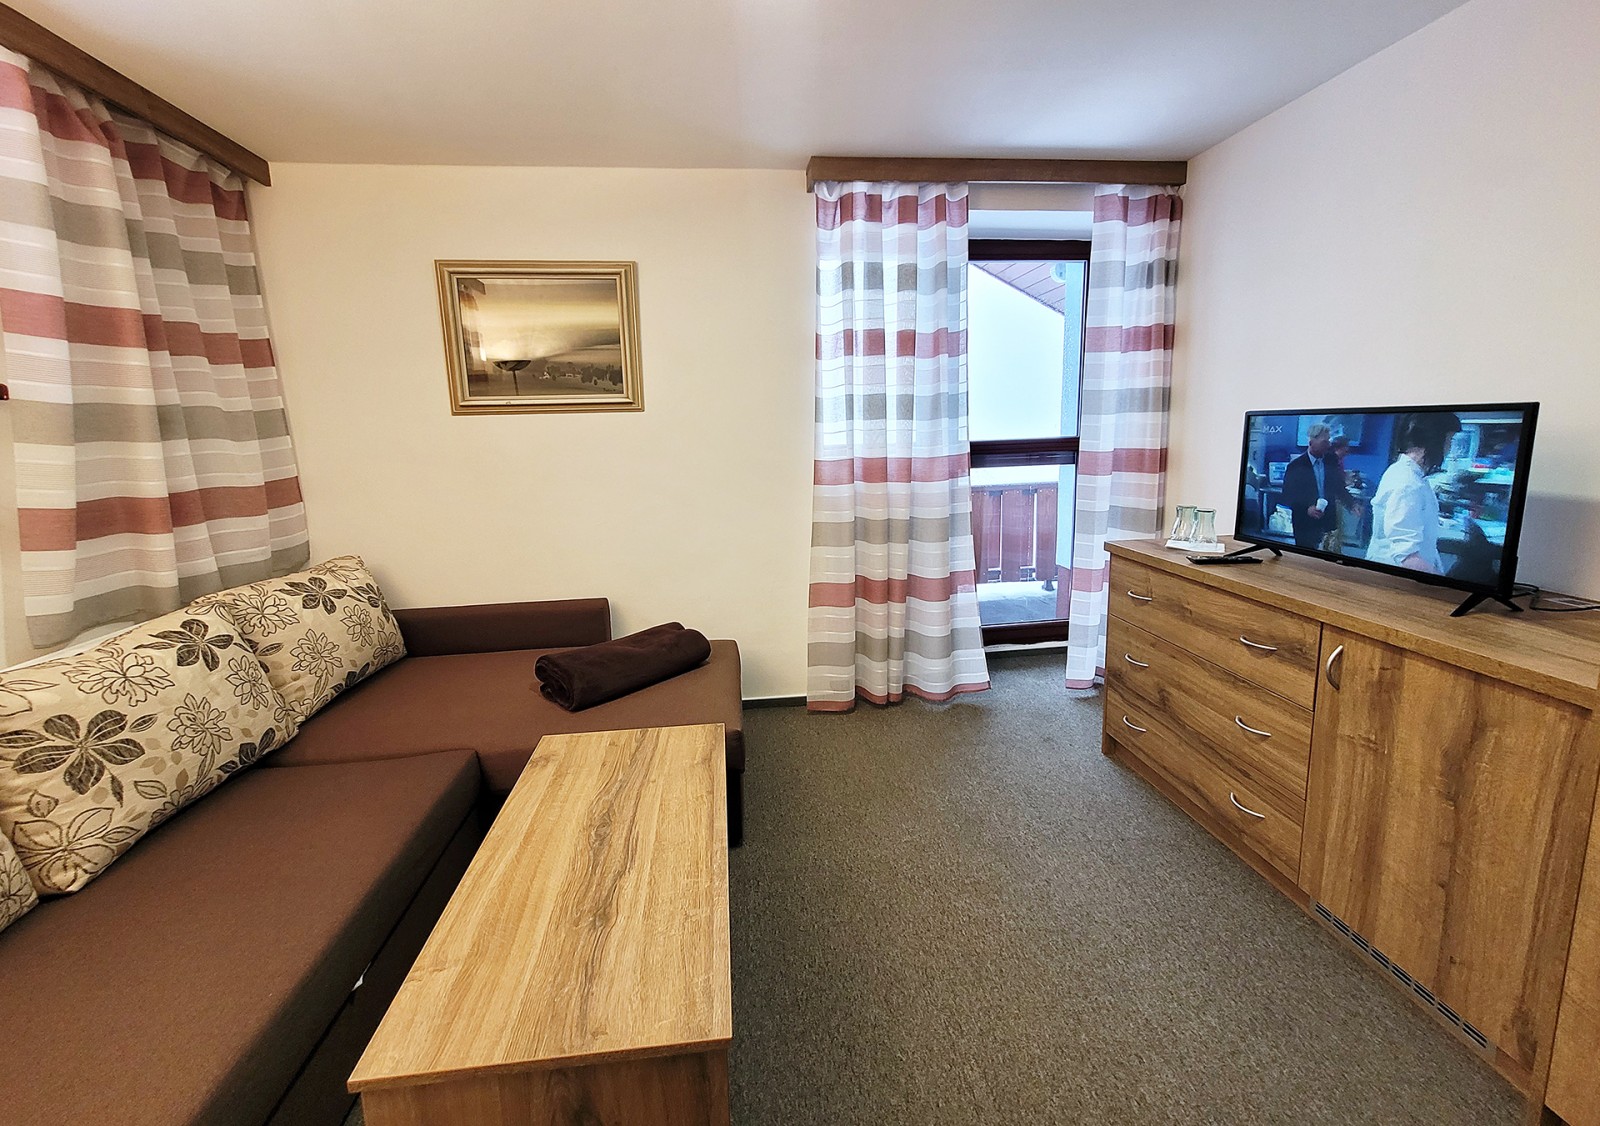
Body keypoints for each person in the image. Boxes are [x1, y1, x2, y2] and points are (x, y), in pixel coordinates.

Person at [1366, 412, 1462, 574]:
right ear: (1435, 440)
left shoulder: (1410, 474)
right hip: (1395, 577)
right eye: (1449, 440)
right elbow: (1408, 557)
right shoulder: (1408, 483)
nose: (1449, 448)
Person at [1281, 423, 1351, 551]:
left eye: (1328, 441)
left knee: (1328, 557)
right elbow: (1288, 495)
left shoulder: (1331, 460)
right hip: (1305, 523)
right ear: (1311, 441)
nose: (1328, 445)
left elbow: (1338, 486)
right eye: (1324, 442)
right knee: (1306, 557)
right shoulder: (1296, 466)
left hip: (1327, 520)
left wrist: (1352, 504)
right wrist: (1307, 508)